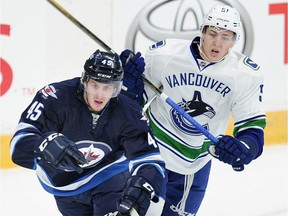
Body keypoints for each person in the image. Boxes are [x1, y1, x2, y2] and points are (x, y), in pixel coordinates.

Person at [120, 4, 266, 216]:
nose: (217, 42)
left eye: (226, 37)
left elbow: (252, 129)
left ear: (234, 41)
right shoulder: (164, 54)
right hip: (149, 155)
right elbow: (132, 106)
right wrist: (128, 84)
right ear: (202, 32)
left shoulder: (245, 75)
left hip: (192, 167)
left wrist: (242, 149)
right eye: (213, 33)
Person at [10, 49, 166, 216]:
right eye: (94, 85)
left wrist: (143, 184)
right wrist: (44, 144)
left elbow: (150, 159)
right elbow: (19, 144)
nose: (100, 95)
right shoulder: (55, 98)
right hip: (64, 187)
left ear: (116, 89)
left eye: (107, 88)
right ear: (84, 81)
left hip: (109, 176)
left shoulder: (128, 111)